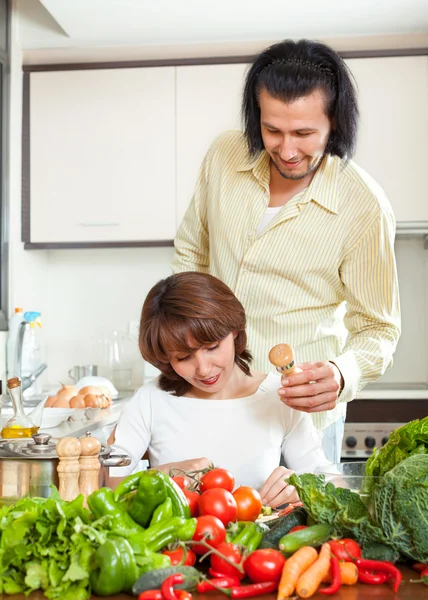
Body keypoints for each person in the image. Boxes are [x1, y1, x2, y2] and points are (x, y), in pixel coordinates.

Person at [171, 38, 401, 463]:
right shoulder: (225, 154)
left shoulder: (364, 206)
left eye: (304, 133)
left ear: (335, 124)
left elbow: (379, 329)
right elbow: (191, 251)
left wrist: (340, 373)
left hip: (299, 422)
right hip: (209, 406)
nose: (288, 150)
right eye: (272, 130)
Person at [108, 271, 330, 508]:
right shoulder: (150, 400)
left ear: (234, 331)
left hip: (261, 541)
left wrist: (299, 484)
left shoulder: (278, 395)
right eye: (183, 357)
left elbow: (325, 480)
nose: (203, 370)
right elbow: (105, 485)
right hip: (176, 542)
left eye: (212, 347)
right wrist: (163, 475)